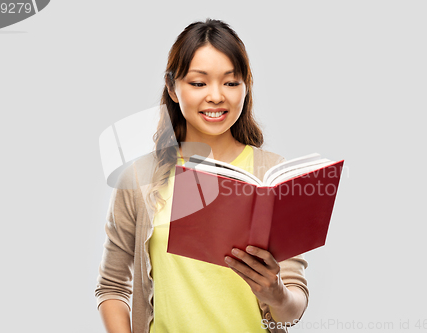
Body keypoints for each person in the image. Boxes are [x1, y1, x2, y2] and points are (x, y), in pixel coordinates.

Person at [95, 18, 309, 333]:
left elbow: (292, 311)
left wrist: (276, 293)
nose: (216, 96)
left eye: (231, 82)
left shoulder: (273, 175)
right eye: (198, 83)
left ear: (245, 87)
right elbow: (112, 286)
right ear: (172, 87)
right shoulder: (140, 178)